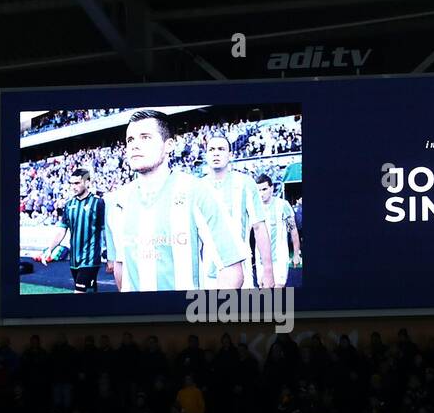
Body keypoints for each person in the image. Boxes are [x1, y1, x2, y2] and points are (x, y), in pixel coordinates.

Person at [103, 110, 248, 292]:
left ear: (169, 145)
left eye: (145, 137)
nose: (135, 145)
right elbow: (120, 265)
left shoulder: (196, 191)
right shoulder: (118, 201)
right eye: (130, 140)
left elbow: (232, 268)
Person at [200, 134, 272, 289]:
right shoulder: (197, 188)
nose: (216, 153)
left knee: (241, 313)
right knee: (209, 313)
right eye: (211, 149)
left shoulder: (245, 183)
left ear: (230, 155)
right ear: (206, 155)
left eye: (221, 149)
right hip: (207, 274)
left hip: (241, 271)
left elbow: (259, 227)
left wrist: (268, 269)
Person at [38, 168, 106, 293]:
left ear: (87, 183)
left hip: (90, 258)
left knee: (79, 292)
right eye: (71, 183)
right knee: (89, 292)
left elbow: (105, 230)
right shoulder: (69, 205)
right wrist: (50, 249)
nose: (73, 187)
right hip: (74, 259)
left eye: (77, 183)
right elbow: (61, 230)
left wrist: (110, 256)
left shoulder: (98, 203)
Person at [255, 174, 300, 288]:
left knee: (278, 292)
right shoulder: (254, 208)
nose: (262, 193)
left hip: (279, 257)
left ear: (272, 188)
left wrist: (296, 254)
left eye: (264, 189)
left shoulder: (283, 205)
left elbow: (293, 230)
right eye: (258, 190)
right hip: (261, 260)